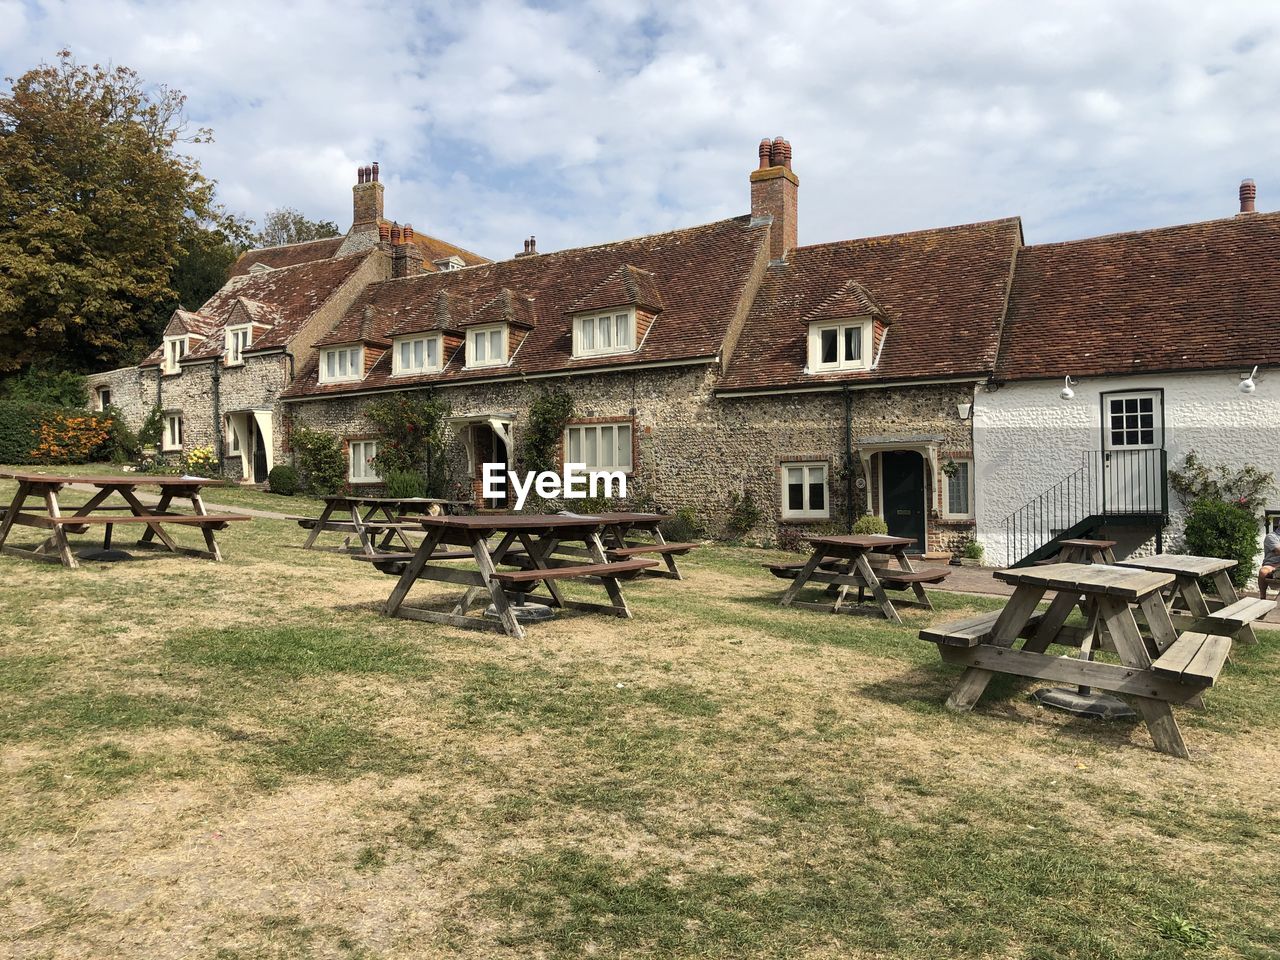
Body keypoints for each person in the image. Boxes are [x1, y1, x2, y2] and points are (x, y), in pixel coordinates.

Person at [1261, 518, 1280, 600]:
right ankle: (1262, 598)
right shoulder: (1271, 537)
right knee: (1263, 572)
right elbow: (1278, 551)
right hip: (1272, 564)